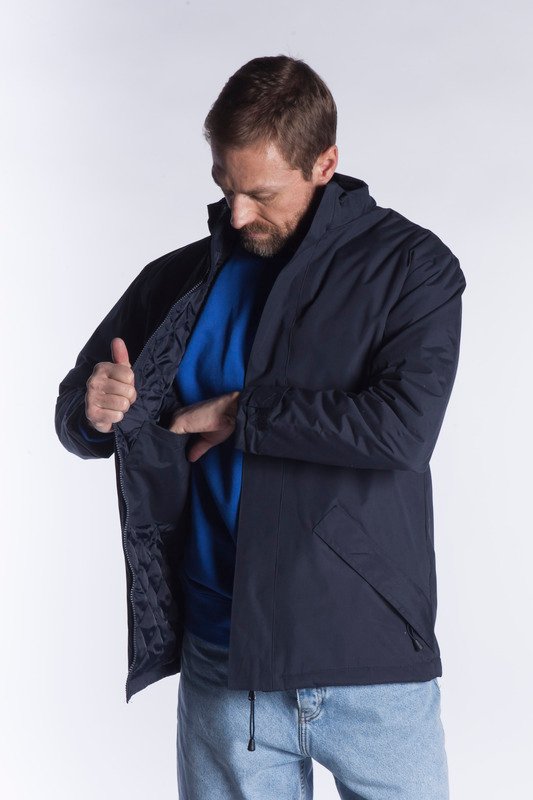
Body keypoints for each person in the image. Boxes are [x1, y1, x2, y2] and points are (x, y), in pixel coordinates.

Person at [55, 54, 466, 800]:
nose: (239, 215)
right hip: (223, 657)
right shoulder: (179, 280)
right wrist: (94, 408)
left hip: (366, 657)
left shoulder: (413, 268)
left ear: (325, 163)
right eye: (226, 187)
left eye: (262, 193)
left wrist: (243, 412)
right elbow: (79, 409)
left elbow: (402, 430)